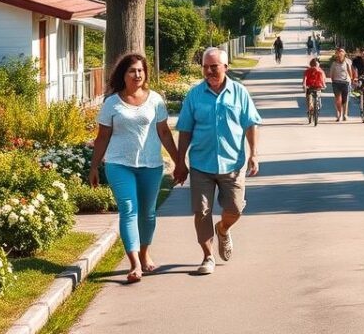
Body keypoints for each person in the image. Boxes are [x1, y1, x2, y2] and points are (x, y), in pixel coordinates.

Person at [88, 53, 180, 283]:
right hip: (119, 164)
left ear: (145, 73)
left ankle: (145, 253)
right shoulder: (112, 103)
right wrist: (94, 166)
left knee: (148, 213)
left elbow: (164, 133)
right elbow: (102, 137)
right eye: (132, 70)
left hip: (151, 165)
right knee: (129, 210)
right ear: (124, 74)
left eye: (140, 70)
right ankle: (135, 263)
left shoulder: (155, 100)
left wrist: (179, 162)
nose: (137, 74)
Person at [174, 47, 262, 276]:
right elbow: (185, 130)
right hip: (201, 164)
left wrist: (253, 154)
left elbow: (250, 123)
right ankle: (208, 256)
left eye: (214, 67)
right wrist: (180, 162)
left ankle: (222, 229)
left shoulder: (239, 92)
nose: (209, 71)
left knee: (235, 209)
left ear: (226, 67)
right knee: (201, 211)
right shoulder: (194, 95)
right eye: (205, 67)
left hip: (232, 163)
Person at [328, 47, 355, 122]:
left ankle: (345, 115)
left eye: (341, 53)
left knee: (345, 100)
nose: (339, 55)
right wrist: (333, 81)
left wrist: (351, 80)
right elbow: (331, 74)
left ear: (344, 54)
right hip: (336, 82)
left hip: (345, 82)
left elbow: (350, 72)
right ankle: (338, 115)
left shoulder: (348, 62)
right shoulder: (334, 63)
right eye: (338, 53)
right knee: (337, 100)